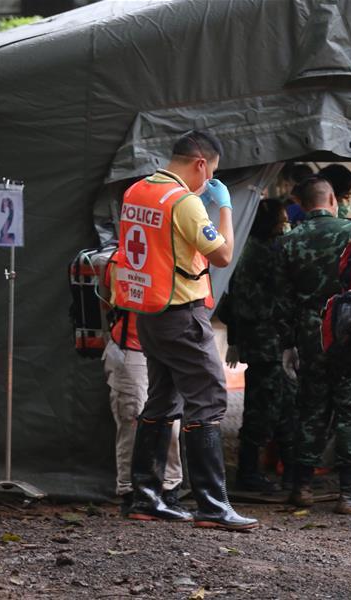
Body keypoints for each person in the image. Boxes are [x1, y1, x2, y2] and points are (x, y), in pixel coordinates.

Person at [112, 129, 257, 530]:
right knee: (209, 397)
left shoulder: (137, 191)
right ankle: (213, 505)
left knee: (161, 400)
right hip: (180, 312)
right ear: (199, 163)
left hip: (149, 311)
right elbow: (224, 254)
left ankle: (145, 497)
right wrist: (223, 209)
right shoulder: (186, 203)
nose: (208, 181)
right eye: (210, 173)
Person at [275, 176, 351, 515]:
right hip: (350, 331)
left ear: (303, 206)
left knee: (312, 409)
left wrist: (288, 344)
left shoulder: (288, 241)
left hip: (309, 333)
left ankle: (301, 486)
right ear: (333, 200)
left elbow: (282, 301)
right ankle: (350, 493)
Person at [224, 198, 297, 493]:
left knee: (264, 406)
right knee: (264, 409)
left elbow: (232, 300)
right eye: (281, 220)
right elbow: (280, 301)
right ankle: (250, 473)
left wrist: (234, 339)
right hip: (269, 343)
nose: (285, 226)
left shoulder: (245, 248)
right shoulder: (268, 253)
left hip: (258, 342)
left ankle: (259, 470)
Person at [102, 260, 184, 516]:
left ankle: (169, 490)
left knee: (172, 423)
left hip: (166, 348)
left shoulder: (178, 254)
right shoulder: (119, 260)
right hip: (131, 348)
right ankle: (130, 493)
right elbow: (110, 300)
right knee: (132, 420)